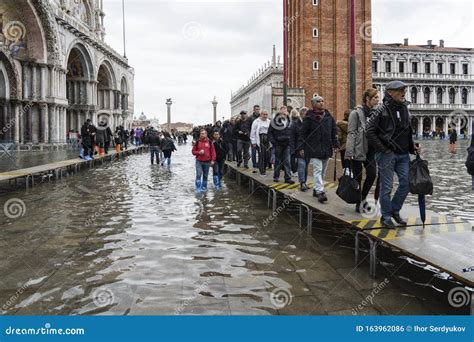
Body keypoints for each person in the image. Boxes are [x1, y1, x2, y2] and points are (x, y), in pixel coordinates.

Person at [366, 80, 422, 228]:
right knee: (387, 187)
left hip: (403, 154)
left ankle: (395, 210)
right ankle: (385, 217)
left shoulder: (405, 108)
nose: (403, 92)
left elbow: (406, 131)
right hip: (387, 155)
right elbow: (369, 132)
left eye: (404, 89)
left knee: (406, 182)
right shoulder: (380, 110)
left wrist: (413, 145)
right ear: (390, 92)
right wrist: (383, 149)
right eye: (400, 90)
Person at [298, 96, 339, 203]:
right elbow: (303, 134)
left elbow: (334, 132)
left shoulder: (328, 116)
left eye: (322, 101)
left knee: (323, 172)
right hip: (314, 148)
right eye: (318, 101)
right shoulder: (309, 118)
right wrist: (301, 147)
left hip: (326, 148)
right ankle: (321, 192)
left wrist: (335, 145)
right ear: (313, 104)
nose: (321, 103)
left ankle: (316, 189)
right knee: (318, 170)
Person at [345, 88, 380, 213]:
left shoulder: (377, 113)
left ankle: (363, 198)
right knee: (358, 177)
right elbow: (351, 133)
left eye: (378, 97)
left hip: (371, 150)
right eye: (375, 97)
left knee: (372, 174)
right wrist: (349, 152)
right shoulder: (355, 113)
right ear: (367, 99)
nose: (377, 100)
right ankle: (359, 203)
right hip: (357, 149)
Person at [268, 106, 295, 184]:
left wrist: (291, 141)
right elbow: (270, 133)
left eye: (285, 111)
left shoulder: (290, 121)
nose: (284, 112)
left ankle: (288, 178)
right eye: (282, 111)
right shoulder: (274, 121)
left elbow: (293, 132)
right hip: (278, 144)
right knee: (278, 161)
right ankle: (276, 176)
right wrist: (274, 142)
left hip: (287, 144)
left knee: (287, 161)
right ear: (279, 112)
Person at [291, 107, 309, 191]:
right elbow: (292, 138)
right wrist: (294, 150)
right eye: (305, 114)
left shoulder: (309, 124)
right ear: (301, 114)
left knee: (306, 166)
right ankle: (302, 183)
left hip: (308, 149)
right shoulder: (295, 124)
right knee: (301, 165)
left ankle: (304, 181)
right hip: (299, 148)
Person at [250, 109, 271, 175]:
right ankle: (262, 170)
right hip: (260, 138)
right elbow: (253, 132)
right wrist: (253, 142)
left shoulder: (269, 121)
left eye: (266, 114)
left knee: (267, 155)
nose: (265, 116)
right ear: (261, 114)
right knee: (261, 155)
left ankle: (264, 167)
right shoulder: (256, 121)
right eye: (264, 114)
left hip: (267, 139)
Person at [249, 105, 261, 172]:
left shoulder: (261, 117)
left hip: (260, 137)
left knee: (260, 151)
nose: (258, 110)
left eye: (259, 109)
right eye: (256, 109)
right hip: (253, 137)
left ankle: (259, 163)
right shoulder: (250, 118)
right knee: (253, 151)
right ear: (254, 110)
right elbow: (248, 127)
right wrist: (249, 135)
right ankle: (254, 164)